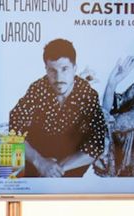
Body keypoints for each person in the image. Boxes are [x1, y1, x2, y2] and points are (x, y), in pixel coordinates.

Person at [7, 37, 106, 176]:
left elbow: (96, 144)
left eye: (64, 69)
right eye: (52, 70)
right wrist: (40, 162)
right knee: (11, 167)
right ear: (46, 69)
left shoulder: (88, 95)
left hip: (71, 158)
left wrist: (56, 169)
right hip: (38, 153)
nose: (59, 78)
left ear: (74, 68)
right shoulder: (37, 89)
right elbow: (14, 126)